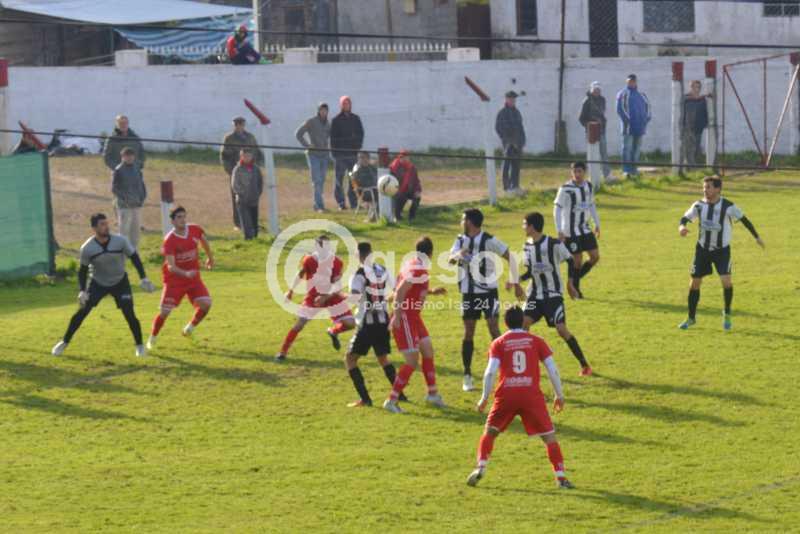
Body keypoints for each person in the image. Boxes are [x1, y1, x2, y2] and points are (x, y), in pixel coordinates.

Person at [466, 306, 572, 489]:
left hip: (506, 395)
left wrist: (484, 398)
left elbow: (490, 372)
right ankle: (561, 477)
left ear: (505, 323)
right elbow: (552, 369)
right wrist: (559, 394)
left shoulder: (498, 343)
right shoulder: (537, 341)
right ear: (523, 321)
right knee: (549, 437)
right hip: (531, 396)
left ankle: (481, 466)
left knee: (490, 432)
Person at [51, 213, 155, 358]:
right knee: (82, 312)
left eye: (106, 223)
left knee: (129, 314)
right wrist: (82, 291)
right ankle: (64, 342)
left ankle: (139, 346)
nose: (106, 227)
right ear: (94, 228)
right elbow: (83, 271)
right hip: (98, 283)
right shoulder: (87, 248)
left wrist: (143, 278)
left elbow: (135, 257)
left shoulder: (120, 241)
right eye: (102, 224)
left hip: (120, 282)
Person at [509, 212, 592, 376]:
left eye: (525, 224)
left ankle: (584, 365)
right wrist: (516, 281)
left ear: (532, 226)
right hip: (535, 295)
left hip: (553, 294)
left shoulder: (553, 243)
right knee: (523, 325)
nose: (523, 227)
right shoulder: (527, 246)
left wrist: (570, 283)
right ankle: (526, 367)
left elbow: (570, 260)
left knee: (561, 329)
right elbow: (531, 271)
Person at [678, 176, 764, 331]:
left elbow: (745, 220)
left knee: (726, 281)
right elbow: (684, 218)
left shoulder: (728, 206)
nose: (705, 190)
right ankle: (691, 318)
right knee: (694, 283)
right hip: (702, 250)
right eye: (704, 187)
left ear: (718, 189)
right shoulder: (698, 205)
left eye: (708, 187)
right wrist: (682, 227)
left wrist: (757, 237)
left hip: (722, 251)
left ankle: (727, 312)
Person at [448, 208, 514, 392]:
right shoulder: (460, 240)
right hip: (468, 294)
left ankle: (507, 373)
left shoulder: (489, 240)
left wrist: (513, 279)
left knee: (494, 329)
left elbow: (509, 255)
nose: (461, 222)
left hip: (488, 292)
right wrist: (458, 255)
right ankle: (467, 375)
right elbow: (450, 259)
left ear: (469, 222)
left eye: (463, 219)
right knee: (469, 332)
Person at [383, 237, 447, 413]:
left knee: (428, 351)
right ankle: (391, 400)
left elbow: (409, 289)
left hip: (414, 317)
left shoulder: (413, 264)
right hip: (405, 317)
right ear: (431, 253)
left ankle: (432, 394)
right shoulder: (417, 268)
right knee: (411, 361)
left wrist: (432, 291)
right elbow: (400, 292)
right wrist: (397, 316)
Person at [344, 242, 407, 407]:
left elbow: (354, 298)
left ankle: (365, 399)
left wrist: (334, 295)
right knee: (383, 358)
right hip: (383, 320)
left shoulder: (358, 274)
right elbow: (397, 290)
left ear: (358, 255)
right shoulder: (382, 269)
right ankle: (400, 394)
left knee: (350, 359)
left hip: (367, 323)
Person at [276, 234, 356, 361]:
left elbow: (337, 286)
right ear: (316, 247)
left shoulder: (336, 262)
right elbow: (301, 273)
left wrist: (325, 297)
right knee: (300, 324)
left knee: (351, 324)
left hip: (331, 296)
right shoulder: (309, 260)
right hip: (313, 297)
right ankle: (282, 352)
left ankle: (333, 331)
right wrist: (290, 291)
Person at [147, 207, 214, 349]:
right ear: (172, 221)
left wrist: (210, 257)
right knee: (165, 312)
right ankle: (152, 338)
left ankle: (189, 328)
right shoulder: (169, 240)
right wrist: (186, 274)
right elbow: (171, 266)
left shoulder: (194, 229)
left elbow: (203, 241)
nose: (183, 220)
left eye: (184, 216)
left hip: (193, 279)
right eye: (179, 217)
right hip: (174, 281)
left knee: (206, 304)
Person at [553, 161, 600, 298]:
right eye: (575, 171)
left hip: (584, 228)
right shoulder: (565, 189)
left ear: (585, 172)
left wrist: (597, 223)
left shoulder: (588, 186)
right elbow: (557, 209)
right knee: (577, 261)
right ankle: (576, 291)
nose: (577, 174)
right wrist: (559, 230)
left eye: (580, 171)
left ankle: (572, 281)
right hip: (570, 231)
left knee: (595, 257)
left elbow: (591, 205)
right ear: (571, 172)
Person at [220, 117, 263, 229]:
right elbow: (225, 156)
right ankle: (239, 223)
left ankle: (252, 221)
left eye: (241, 124)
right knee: (238, 198)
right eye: (237, 124)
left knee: (252, 197)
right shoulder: (229, 138)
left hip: (251, 172)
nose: (239, 126)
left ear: (244, 125)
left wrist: (257, 168)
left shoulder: (250, 137)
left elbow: (257, 152)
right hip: (238, 173)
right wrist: (231, 171)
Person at [331, 95, 365, 210]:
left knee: (353, 180)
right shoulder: (336, 120)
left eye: (348, 103)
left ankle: (354, 203)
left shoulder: (356, 119)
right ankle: (341, 203)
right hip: (340, 155)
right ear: (341, 105)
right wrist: (335, 153)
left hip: (353, 154)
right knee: (339, 180)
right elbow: (333, 138)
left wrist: (358, 147)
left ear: (350, 105)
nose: (346, 105)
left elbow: (361, 133)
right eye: (344, 104)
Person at [296, 103, 331, 212]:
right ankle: (319, 206)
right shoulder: (311, 121)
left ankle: (318, 204)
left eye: (325, 110)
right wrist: (307, 145)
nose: (324, 112)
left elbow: (329, 137)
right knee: (317, 180)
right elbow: (298, 134)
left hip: (324, 155)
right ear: (318, 110)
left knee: (322, 180)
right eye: (322, 109)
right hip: (313, 155)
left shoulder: (328, 124)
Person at [616, 74, 650, 179]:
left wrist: (645, 120)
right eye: (630, 81)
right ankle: (626, 170)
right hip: (628, 128)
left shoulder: (642, 95)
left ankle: (634, 169)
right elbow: (620, 109)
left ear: (636, 82)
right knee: (627, 149)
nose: (632, 83)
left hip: (640, 127)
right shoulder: (622, 94)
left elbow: (648, 108)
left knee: (637, 149)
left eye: (633, 81)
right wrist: (628, 121)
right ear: (627, 81)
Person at [112, 147, 147, 249]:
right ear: (122, 157)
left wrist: (143, 196)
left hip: (136, 204)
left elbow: (141, 183)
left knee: (135, 229)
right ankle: (122, 250)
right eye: (127, 156)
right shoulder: (118, 170)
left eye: (131, 156)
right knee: (124, 230)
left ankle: (134, 251)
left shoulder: (137, 168)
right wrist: (125, 199)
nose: (130, 158)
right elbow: (114, 188)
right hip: (124, 206)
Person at [578, 81, 612, 181]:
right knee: (592, 155)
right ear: (591, 89)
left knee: (604, 153)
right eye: (595, 89)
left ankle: (607, 175)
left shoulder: (602, 100)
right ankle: (592, 176)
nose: (597, 91)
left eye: (598, 89)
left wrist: (602, 123)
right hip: (591, 133)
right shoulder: (586, 101)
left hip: (601, 131)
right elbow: (581, 118)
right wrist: (589, 126)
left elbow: (602, 114)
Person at [495, 90, 526, 195]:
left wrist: (522, 141)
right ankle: (506, 188)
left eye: (514, 99)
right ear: (506, 99)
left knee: (516, 166)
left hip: (518, 143)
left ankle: (515, 186)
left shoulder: (517, 112)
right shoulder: (502, 113)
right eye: (511, 99)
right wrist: (508, 140)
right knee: (507, 165)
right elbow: (499, 128)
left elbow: (521, 128)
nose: (513, 100)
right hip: (508, 143)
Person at [231, 149, 263, 240]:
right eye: (245, 156)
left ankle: (255, 237)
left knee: (254, 219)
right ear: (241, 157)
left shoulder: (256, 169)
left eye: (249, 156)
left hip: (254, 199)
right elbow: (234, 184)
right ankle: (248, 238)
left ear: (252, 156)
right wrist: (242, 194)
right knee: (246, 220)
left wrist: (257, 193)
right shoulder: (238, 169)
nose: (247, 158)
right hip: (242, 200)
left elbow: (260, 182)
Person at [680, 80, 710, 174]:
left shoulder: (702, 100)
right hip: (688, 128)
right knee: (688, 149)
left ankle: (690, 169)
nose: (697, 89)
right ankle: (691, 170)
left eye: (699, 87)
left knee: (696, 149)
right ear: (691, 87)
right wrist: (682, 126)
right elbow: (682, 113)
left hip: (698, 128)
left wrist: (705, 123)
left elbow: (705, 112)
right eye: (695, 87)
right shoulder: (686, 99)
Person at [390, 150, 421, 222]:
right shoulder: (394, 167)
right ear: (399, 158)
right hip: (396, 191)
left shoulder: (412, 168)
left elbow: (416, 181)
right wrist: (396, 191)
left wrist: (417, 190)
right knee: (400, 197)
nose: (404, 159)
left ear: (409, 158)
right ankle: (397, 217)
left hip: (408, 191)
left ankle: (411, 218)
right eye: (401, 157)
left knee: (417, 197)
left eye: (406, 157)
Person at [350, 151, 378, 222]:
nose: (364, 159)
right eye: (361, 158)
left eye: (366, 158)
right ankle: (373, 217)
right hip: (364, 192)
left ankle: (385, 216)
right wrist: (357, 192)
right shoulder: (357, 169)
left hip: (374, 189)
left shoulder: (372, 168)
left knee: (387, 193)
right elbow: (353, 182)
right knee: (379, 195)